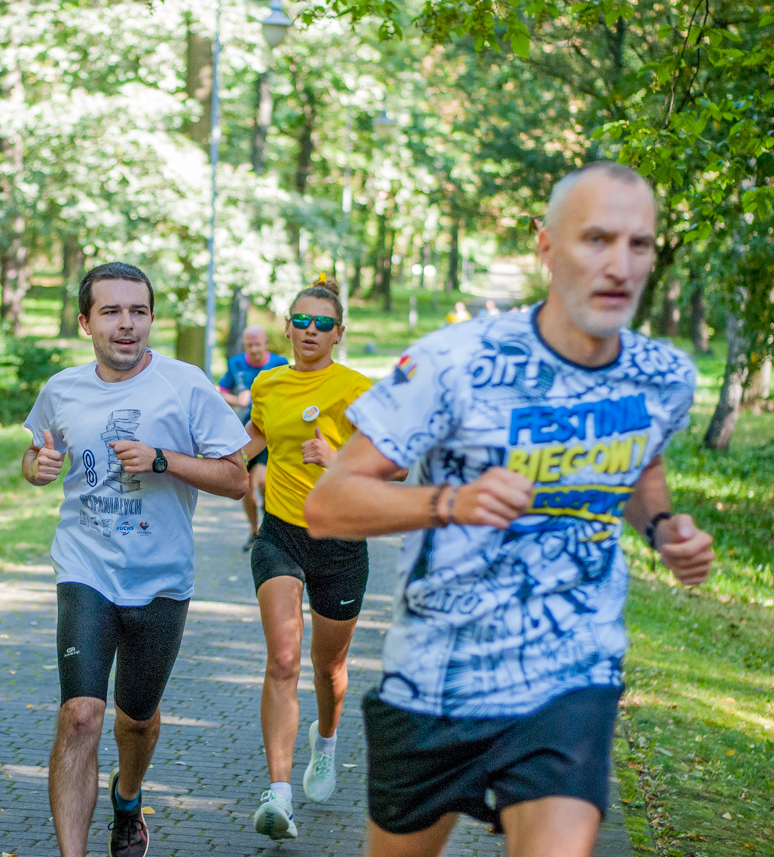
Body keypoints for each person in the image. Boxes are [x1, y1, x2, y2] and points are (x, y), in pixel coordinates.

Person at [303, 162, 716, 857]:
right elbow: (328, 505)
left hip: (572, 672)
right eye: (596, 239)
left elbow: (642, 462)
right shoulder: (453, 361)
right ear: (547, 247)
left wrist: (663, 527)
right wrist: (452, 501)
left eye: (639, 244)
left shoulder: (663, 376)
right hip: (436, 677)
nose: (619, 265)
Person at [22, 261, 250, 857]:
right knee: (80, 715)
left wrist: (161, 459)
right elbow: (36, 452)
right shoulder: (62, 388)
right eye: (111, 312)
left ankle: (128, 799)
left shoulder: (186, 385)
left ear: (150, 319)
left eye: (138, 311)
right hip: (85, 569)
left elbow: (236, 479)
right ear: (85, 322)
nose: (126, 324)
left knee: (137, 721)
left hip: (161, 578)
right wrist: (36, 467)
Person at [241, 278, 374, 840]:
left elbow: (395, 465)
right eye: (301, 321)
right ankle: (278, 794)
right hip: (281, 536)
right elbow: (251, 438)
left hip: (340, 543)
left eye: (323, 324)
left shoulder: (358, 389)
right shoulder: (268, 382)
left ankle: (325, 742)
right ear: (288, 327)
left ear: (338, 333)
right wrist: (185, 461)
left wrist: (337, 458)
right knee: (283, 658)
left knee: (329, 667)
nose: (310, 331)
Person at [218, 324, 289, 550]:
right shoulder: (236, 363)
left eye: (258, 344)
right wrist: (237, 400)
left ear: (266, 343)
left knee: (264, 482)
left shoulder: (279, 363)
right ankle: (255, 531)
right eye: (249, 345)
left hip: (269, 432)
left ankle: (271, 529)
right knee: (246, 487)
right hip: (244, 432)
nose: (254, 349)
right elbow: (220, 390)